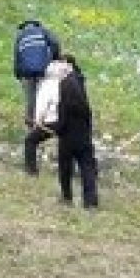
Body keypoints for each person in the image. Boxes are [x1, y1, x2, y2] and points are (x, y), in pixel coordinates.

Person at [55, 54, 99, 210]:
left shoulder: (66, 84)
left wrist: (58, 128)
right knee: (87, 167)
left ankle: (67, 197)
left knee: (65, 167)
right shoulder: (80, 80)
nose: (57, 71)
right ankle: (91, 202)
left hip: (68, 134)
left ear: (66, 66)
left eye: (59, 66)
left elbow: (64, 111)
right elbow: (87, 110)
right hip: (83, 132)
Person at [24, 58, 69, 176]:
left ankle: (31, 171)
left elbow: (43, 105)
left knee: (30, 141)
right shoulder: (67, 84)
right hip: (67, 121)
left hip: (51, 122)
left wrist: (38, 121)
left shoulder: (47, 85)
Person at [14, 18, 61, 126]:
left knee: (30, 97)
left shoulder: (20, 37)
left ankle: (30, 123)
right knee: (42, 96)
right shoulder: (43, 31)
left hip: (26, 72)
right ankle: (44, 123)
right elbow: (55, 43)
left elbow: (17, 57)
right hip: (42, 69)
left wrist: (18, 75)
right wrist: (53, 59)